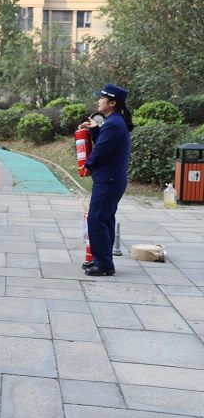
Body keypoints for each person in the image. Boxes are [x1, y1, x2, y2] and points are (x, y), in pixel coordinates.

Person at [81, 83, 133, 277]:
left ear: (112, 103)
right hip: (112, 179)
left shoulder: (113, 123)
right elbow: (104, 142)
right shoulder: (114, 121)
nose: (99, 101)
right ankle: (102, 259)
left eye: (102, 98)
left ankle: (104, 265)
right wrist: (95, 130)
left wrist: (88, 165)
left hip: (109, 180)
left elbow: (101, 150)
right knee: (105, 219)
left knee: (96, 219)